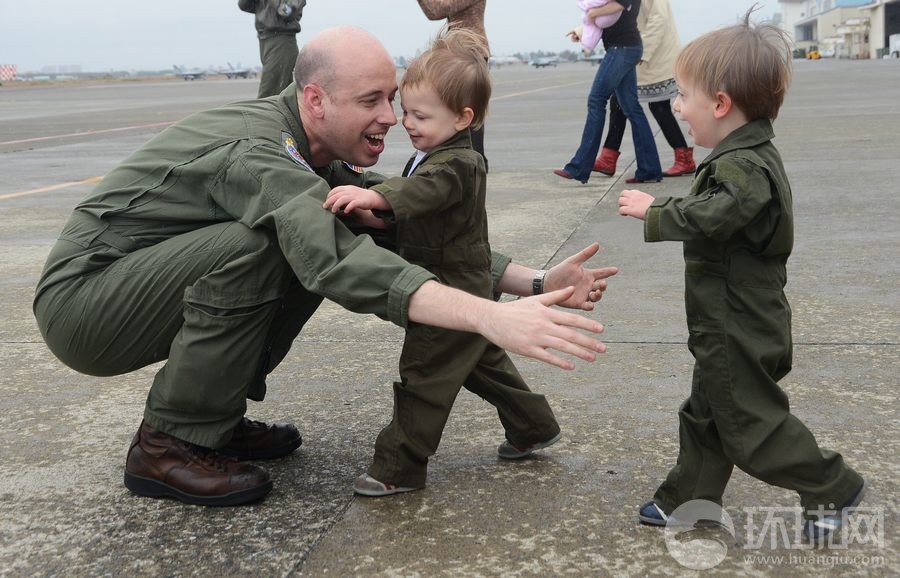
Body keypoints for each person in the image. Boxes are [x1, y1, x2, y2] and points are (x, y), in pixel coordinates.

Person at [33, 26, 617, 508]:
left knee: (329, 220)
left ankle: (212, 419)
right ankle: (168, 445)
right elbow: (334, 257)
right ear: (316, 100)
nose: (392, 117)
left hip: (132, 284)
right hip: (86, 303)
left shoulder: (312, 155)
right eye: (371, 101)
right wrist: (488, 317)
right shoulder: (262, 154)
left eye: (391, 98)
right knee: (274, 242)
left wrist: (537, 281)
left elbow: (409, 238)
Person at [617, 10, 864, 544]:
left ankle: (830, 485)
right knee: (706, 415)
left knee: (747, 426)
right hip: (725, 321)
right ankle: (688, 499)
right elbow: (721, 209)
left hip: (739, 324)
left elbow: (716, 214)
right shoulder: (741, 157)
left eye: (684, 97)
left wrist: (654, 210)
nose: (679, 108)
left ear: (721, 104)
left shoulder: (744, 167)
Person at [324, 29, 562, 497]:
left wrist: (377, 194)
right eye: (407, 111)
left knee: (425, 377)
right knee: (483, 363)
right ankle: (533, 426)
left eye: (420, 115)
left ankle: (399, 466)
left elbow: (423, 192)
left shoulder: (458, 164)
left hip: (453, 287)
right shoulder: (432, 154)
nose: (407, 123)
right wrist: (382, 216)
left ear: (463, 117)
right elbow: (423, 208)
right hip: (467, 286)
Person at [554, 0, 662, 185]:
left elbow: (617, 5)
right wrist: (583, 28)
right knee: (632, 109)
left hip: (622, 49)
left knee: (596, 100)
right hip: (625, 48)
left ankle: (579, 166)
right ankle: (649, 169)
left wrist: (591, 15)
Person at [592, 0, 695, 178]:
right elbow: (610, 11)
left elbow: (658, 21)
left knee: (659, 108)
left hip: (655, 57)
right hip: (634, 52)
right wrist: (581, 30)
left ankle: (684, 158)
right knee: (618, 103)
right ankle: (608, 158)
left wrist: (643, 52)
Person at [416, 0, 489, 169]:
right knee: (457, 108)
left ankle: (474, 162)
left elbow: (438, 10)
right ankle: (468, 160)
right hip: (459, 50)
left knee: (468, 111)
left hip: (471, 51)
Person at [238, 0, 306, 98]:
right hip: (265, 40)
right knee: (281, 93)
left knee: (268, 93)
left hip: (281, 41)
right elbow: (244, 5)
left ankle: (262, 113)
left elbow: (287, 12)